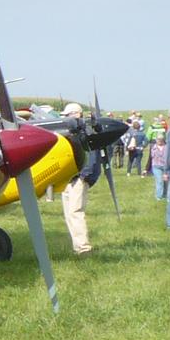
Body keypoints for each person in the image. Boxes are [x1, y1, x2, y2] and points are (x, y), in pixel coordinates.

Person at [59, 104, 98, 255]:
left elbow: (91, 154)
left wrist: (83, 176)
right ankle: (77, 247)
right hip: (68, 178)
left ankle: (84, 248)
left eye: (68, 115)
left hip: (78, 178)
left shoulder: (85, 132)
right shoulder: (73, 132)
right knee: (69, 214)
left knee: (76, 212)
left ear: (77, 114)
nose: (66, 118)